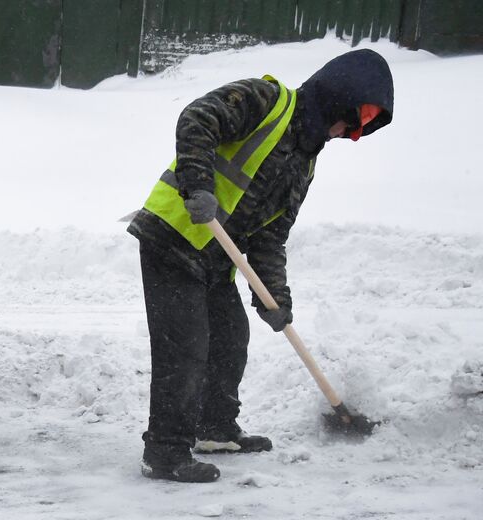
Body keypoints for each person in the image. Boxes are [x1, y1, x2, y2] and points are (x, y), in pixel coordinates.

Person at [128, 49, 393, 482]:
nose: (354, 133)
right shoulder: (266, 100)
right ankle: (165, 450)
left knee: (230, 339)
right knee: (186, 347)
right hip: (173, 238)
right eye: (359, 117)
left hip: (215, 258)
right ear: (339, 97)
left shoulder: (304, 164)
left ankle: (214, 428)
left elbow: (271, 237)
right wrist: (198, 184)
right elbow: (198, 117)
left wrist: (274, 297)